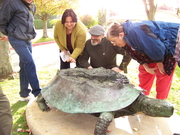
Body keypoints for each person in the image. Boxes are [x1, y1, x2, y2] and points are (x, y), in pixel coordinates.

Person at [107, 20, 180, 100]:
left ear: (121, 35)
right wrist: (146, 66)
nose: (113, 44)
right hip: (152, 53)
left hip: (168, 44)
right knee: (144, 72)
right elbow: (133, 54)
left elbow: (156, 47)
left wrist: (159, 62)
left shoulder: (136, 31)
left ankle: (160, 103)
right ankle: (142, 100)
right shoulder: (125, 39)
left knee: (163, 75)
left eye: (113, 41)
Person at [0, 0, 41, 101]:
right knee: (29, 62)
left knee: (24, 65)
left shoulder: (32, 6)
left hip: (27, 39)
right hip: (16, 38)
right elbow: (2, 20)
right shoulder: (11, 2)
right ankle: (38, 93)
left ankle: (24, 94)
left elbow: (28, 22)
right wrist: (6, 33)